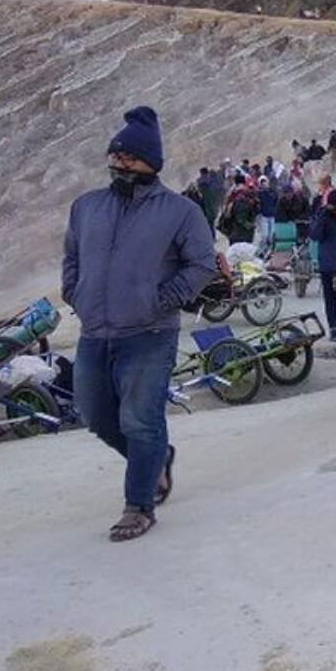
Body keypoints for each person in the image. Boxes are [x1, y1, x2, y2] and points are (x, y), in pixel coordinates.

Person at [63, 106, 216, 541]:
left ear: (151, 162)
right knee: (95, 415)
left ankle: (138, 506)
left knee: (140, 421)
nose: (119, 164)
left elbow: (201, 264)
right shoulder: (86, 206)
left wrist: (162, 300)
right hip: (95, 331)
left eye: (129, 157)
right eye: (115, 156)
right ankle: (157, 458)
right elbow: (72, 257)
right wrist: (76, 293)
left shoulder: (180, 211)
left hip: (150, 333)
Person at [309, 189, 336, 342]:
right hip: (329, 266)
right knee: (330, 299)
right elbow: (315, 235)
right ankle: (334, 329)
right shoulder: (323, 217)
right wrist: (322, 217)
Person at [256, 175, 278, 252]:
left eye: (265, 182)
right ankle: (263, 250)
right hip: (263, 216)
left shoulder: (273, 192)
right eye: (262, 183)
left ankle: (270, 249)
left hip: (272, 216)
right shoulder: (259, 194)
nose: (264, 184)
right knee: (264, 235)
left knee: (271, 235)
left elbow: (276, 202)